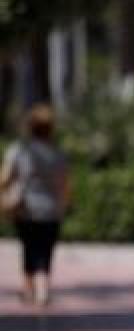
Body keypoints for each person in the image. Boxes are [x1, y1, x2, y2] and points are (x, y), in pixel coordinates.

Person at [2, 104, 70, 308]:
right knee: (46, 250)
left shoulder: (19, 150)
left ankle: (29, 289)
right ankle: (44, 290)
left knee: (29, 248)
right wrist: (64, 205)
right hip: (51, 210)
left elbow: (5, 178)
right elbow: (64, 184)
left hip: (25, 208)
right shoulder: (57, 153)